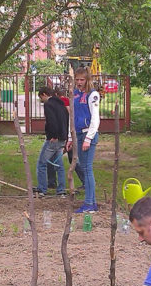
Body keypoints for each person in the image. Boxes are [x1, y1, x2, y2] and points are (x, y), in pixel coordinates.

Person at [67, 67, 100, 213]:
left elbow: (95, 118)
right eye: (77, 79)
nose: (79, 82)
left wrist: (88, 138)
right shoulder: (74, 94)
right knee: (85, 168)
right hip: (78, 134)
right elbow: (72, 117)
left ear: (87, 80)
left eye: (82, 80)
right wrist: (70, 137)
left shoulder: (92, 95)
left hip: (88, 134)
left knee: (87, 168)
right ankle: (90, 202)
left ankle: (89, 204)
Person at [33, 86, 69, 197]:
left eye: (41, 98)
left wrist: (53, 135)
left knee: (41, 163)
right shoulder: (61, 104)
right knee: (59, 165)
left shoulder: (49, 104)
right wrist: (65, 137)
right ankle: (61, 190)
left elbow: (51, 121)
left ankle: (42, 189)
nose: (41, 100)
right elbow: (66, 120)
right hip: (62, 138)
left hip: (53, 139)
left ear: (44, 94)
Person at [47, 87, 85, 191]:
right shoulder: (67, 102)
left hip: (68, 135)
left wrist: (68, 138)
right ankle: (52, 182)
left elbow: (68, 121)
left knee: (68, 158)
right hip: (68, 135)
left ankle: (53, 183)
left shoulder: (63, 103)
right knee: (70, 158)